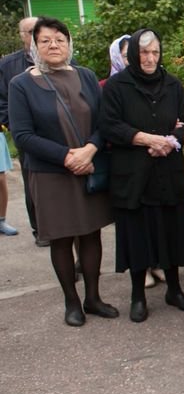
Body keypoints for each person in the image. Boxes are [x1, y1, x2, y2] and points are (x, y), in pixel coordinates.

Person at [8, 17, 117, 326]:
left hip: (89, 166)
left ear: (69, 44)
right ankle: (72, 302)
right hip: (50, 174)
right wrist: (67, 157)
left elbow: (104, 121)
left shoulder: (85, 76)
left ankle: (93, 298)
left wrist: (90, 149)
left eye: (60, 39)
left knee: (91, 233)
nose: (53, 45)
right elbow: (23, 136)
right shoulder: (21, 85)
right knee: (61, 238)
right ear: (34, 46)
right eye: (45, 40)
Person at [100, 28, 184, 323]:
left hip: (167, 171)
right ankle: (138, 296)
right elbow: (109, 125)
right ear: (132, 54)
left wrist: (169, 140)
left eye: (155, 52)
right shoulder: (116, 86)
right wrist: (144, 138)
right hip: (134, 175)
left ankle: (174, 290)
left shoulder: (172, 84)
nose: (150, 58)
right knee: (138, 235)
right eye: (144, 52)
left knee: (170, 231)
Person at [1, 17, 40, 242]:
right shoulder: (8, 65)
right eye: (31, 31)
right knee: (32, 181)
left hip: (57, 132)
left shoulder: (63, 59)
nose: (36, 35)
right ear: (22, 35)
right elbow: (1, 100)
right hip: (26, 134)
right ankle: (40, 229)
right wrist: (14, 124)